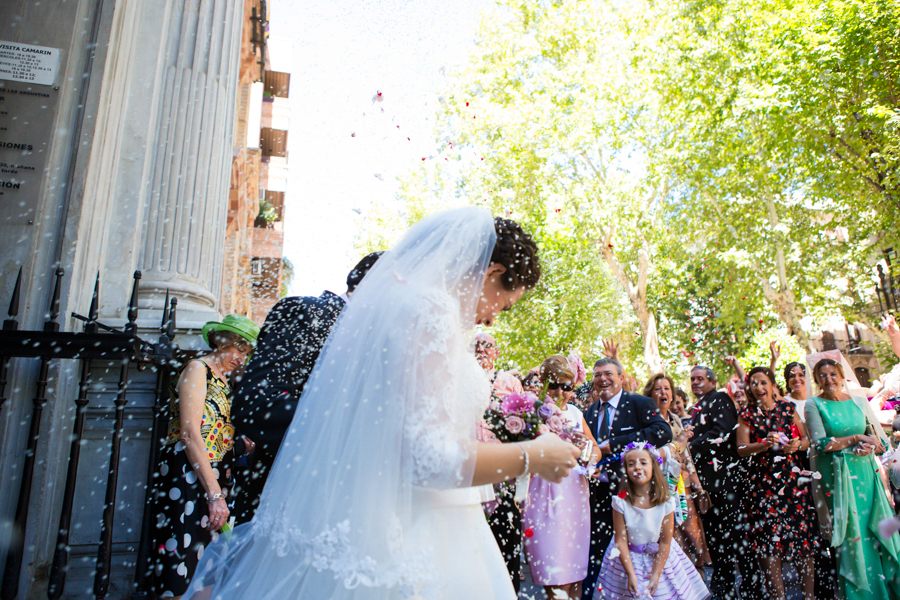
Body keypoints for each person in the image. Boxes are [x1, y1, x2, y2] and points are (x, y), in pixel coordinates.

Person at [185, 208, 582, 600]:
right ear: (492, 273)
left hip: (412, 513)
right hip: (410, 526)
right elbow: (428, 460)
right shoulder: (433, 312)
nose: (494, 320)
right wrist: (533, 455)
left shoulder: (410, 310)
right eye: (505, 304)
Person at [229, 251, 383, 522]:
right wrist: (349, 424)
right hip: (284, 505)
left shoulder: (373, 344)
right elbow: (255, 405)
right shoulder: (307, 312)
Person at [150, 315, 259, 598]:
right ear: (222, 343)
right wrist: (214, 495)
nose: (241, 359)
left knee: (207, 567)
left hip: (213, 478)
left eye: (246, 354)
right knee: (182, 566)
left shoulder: (224, 381)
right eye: (239, 350)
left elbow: (215, 435)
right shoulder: (198, 368)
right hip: (188, 475)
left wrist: (238, 446)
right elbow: (188, 433)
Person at [806, 358, 900, 600]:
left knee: (878, 529)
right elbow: (820, 443)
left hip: (867, 477)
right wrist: (856, 438)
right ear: (817, 379)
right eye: (823, 376)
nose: (829, 380)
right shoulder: (814, 404)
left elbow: (879, 442)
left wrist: (869, 447)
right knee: (852, 535)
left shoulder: (859, 403)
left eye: (833, 374)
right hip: (839, 479)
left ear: (841, 375)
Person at [581, 358, 672, 600]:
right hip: (600, 496)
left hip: (633, 496)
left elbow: (663, 432)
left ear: (621, 377)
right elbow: (589, 449)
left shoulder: (639, 403)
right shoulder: (589, 411)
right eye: (598, 374)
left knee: (634, 554)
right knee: (600, 553)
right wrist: (591, 464)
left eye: (608, 373)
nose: (603, 379)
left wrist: (616, 445)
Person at [735, 367, 819, 600]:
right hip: (762, 485)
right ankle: (777, 597)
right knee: (767, 543)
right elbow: (741, 449)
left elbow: (806, 439)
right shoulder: (747, 414)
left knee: (802, 540)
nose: (759, 388)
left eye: (763, 383)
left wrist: (795, 445)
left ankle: (809, 597)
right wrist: (762, 444)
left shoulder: (788, 408)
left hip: (793, 484)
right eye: (754, 384)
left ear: (772, 385)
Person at [523, 355, 601, 600]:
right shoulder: (531, 409)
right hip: (543, 493)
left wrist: (591, 459)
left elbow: (595, 448)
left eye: (566, 386)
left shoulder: (577, 413)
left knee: (575, 574)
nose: (559, 392)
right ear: (543, 382)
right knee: (554, 578)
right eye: (553, 384)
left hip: (575, 493)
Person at [593, 443, 709, 600]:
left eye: (643, 462)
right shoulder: (620, 502)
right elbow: (620, 541)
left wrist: (656, 574)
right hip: (627, 560)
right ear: (626, 470)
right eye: (631, 464)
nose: (637, 467)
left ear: (654, 467)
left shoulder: (666, 503)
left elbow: (665, 542)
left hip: (659, 562)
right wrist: (631, 574)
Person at [688, 365, 761, 600]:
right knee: (717, 539)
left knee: (736, 537)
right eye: (692, 380)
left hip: (726, 483)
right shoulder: (698, 407)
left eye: (700, 378)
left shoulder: (718, 398)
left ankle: (750, 589)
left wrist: (690, 444)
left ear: (712, 380)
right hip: (709, 487)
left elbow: (722, 433)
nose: (696, 383)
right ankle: (725, 589)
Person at [472, 331, 525, 591]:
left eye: (487, 346)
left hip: (504, 471)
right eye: (477, 345)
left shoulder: (509, 382)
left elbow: (525, 424)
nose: (482, 349)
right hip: (470, 470)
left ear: (497, 352)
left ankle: (510, 590)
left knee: (506, 537)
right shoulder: (460, 379)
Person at [643, 373, 711, 572]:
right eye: (658, 389)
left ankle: (699, 584)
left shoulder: (675, 420)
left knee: (695, 539)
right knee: (675, 542)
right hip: (661, 489)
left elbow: (687, 455)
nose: (663, 392)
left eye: (667, 388)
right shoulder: (647, 421)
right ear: (650, 394)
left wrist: (698, 487)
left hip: (684, 486)